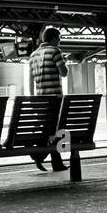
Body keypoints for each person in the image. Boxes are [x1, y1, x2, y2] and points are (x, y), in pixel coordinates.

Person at [27, 26, 68, 171]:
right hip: (54, 99)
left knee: (46, 130)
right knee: (57, 130)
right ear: (53, 38)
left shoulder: (33, 55)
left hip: (41, 100)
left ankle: (47, 159)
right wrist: (64, 62)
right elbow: (64, 72)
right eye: (59, 38)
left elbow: (32, 78)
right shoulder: (55, 51)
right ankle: (45, 159)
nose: (60, 41)